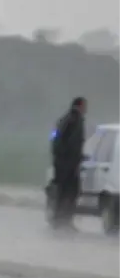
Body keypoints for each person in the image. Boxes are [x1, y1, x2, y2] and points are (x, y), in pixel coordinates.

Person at [50, 97, 88, 230]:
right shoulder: (73, 120)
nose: (86, 109)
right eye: (85, 106)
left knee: (66, 192)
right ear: (80, 106)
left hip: (64, 163)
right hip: (67, 165)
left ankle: (61, 220)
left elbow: (56, 139)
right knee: (70, 192)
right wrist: (69, 158)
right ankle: (62, 221)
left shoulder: (66, 119)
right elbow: (70, 143)